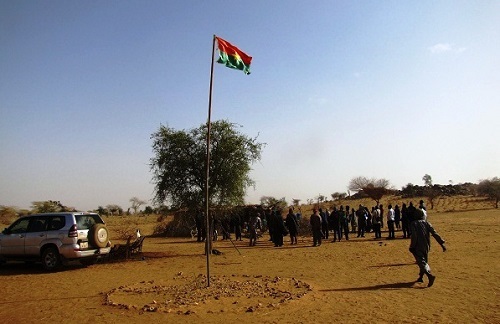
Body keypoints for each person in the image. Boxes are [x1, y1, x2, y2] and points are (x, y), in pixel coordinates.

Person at [409, 208, 447, 287]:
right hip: (426, 245)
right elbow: (434, 233)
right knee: (424, 261)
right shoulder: (427, 223)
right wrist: (441, 243)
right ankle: (421, 277)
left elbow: (414, 236)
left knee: (421, 262)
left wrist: (412, 246)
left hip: (417, 245)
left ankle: (430, 276)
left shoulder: (414, 224)